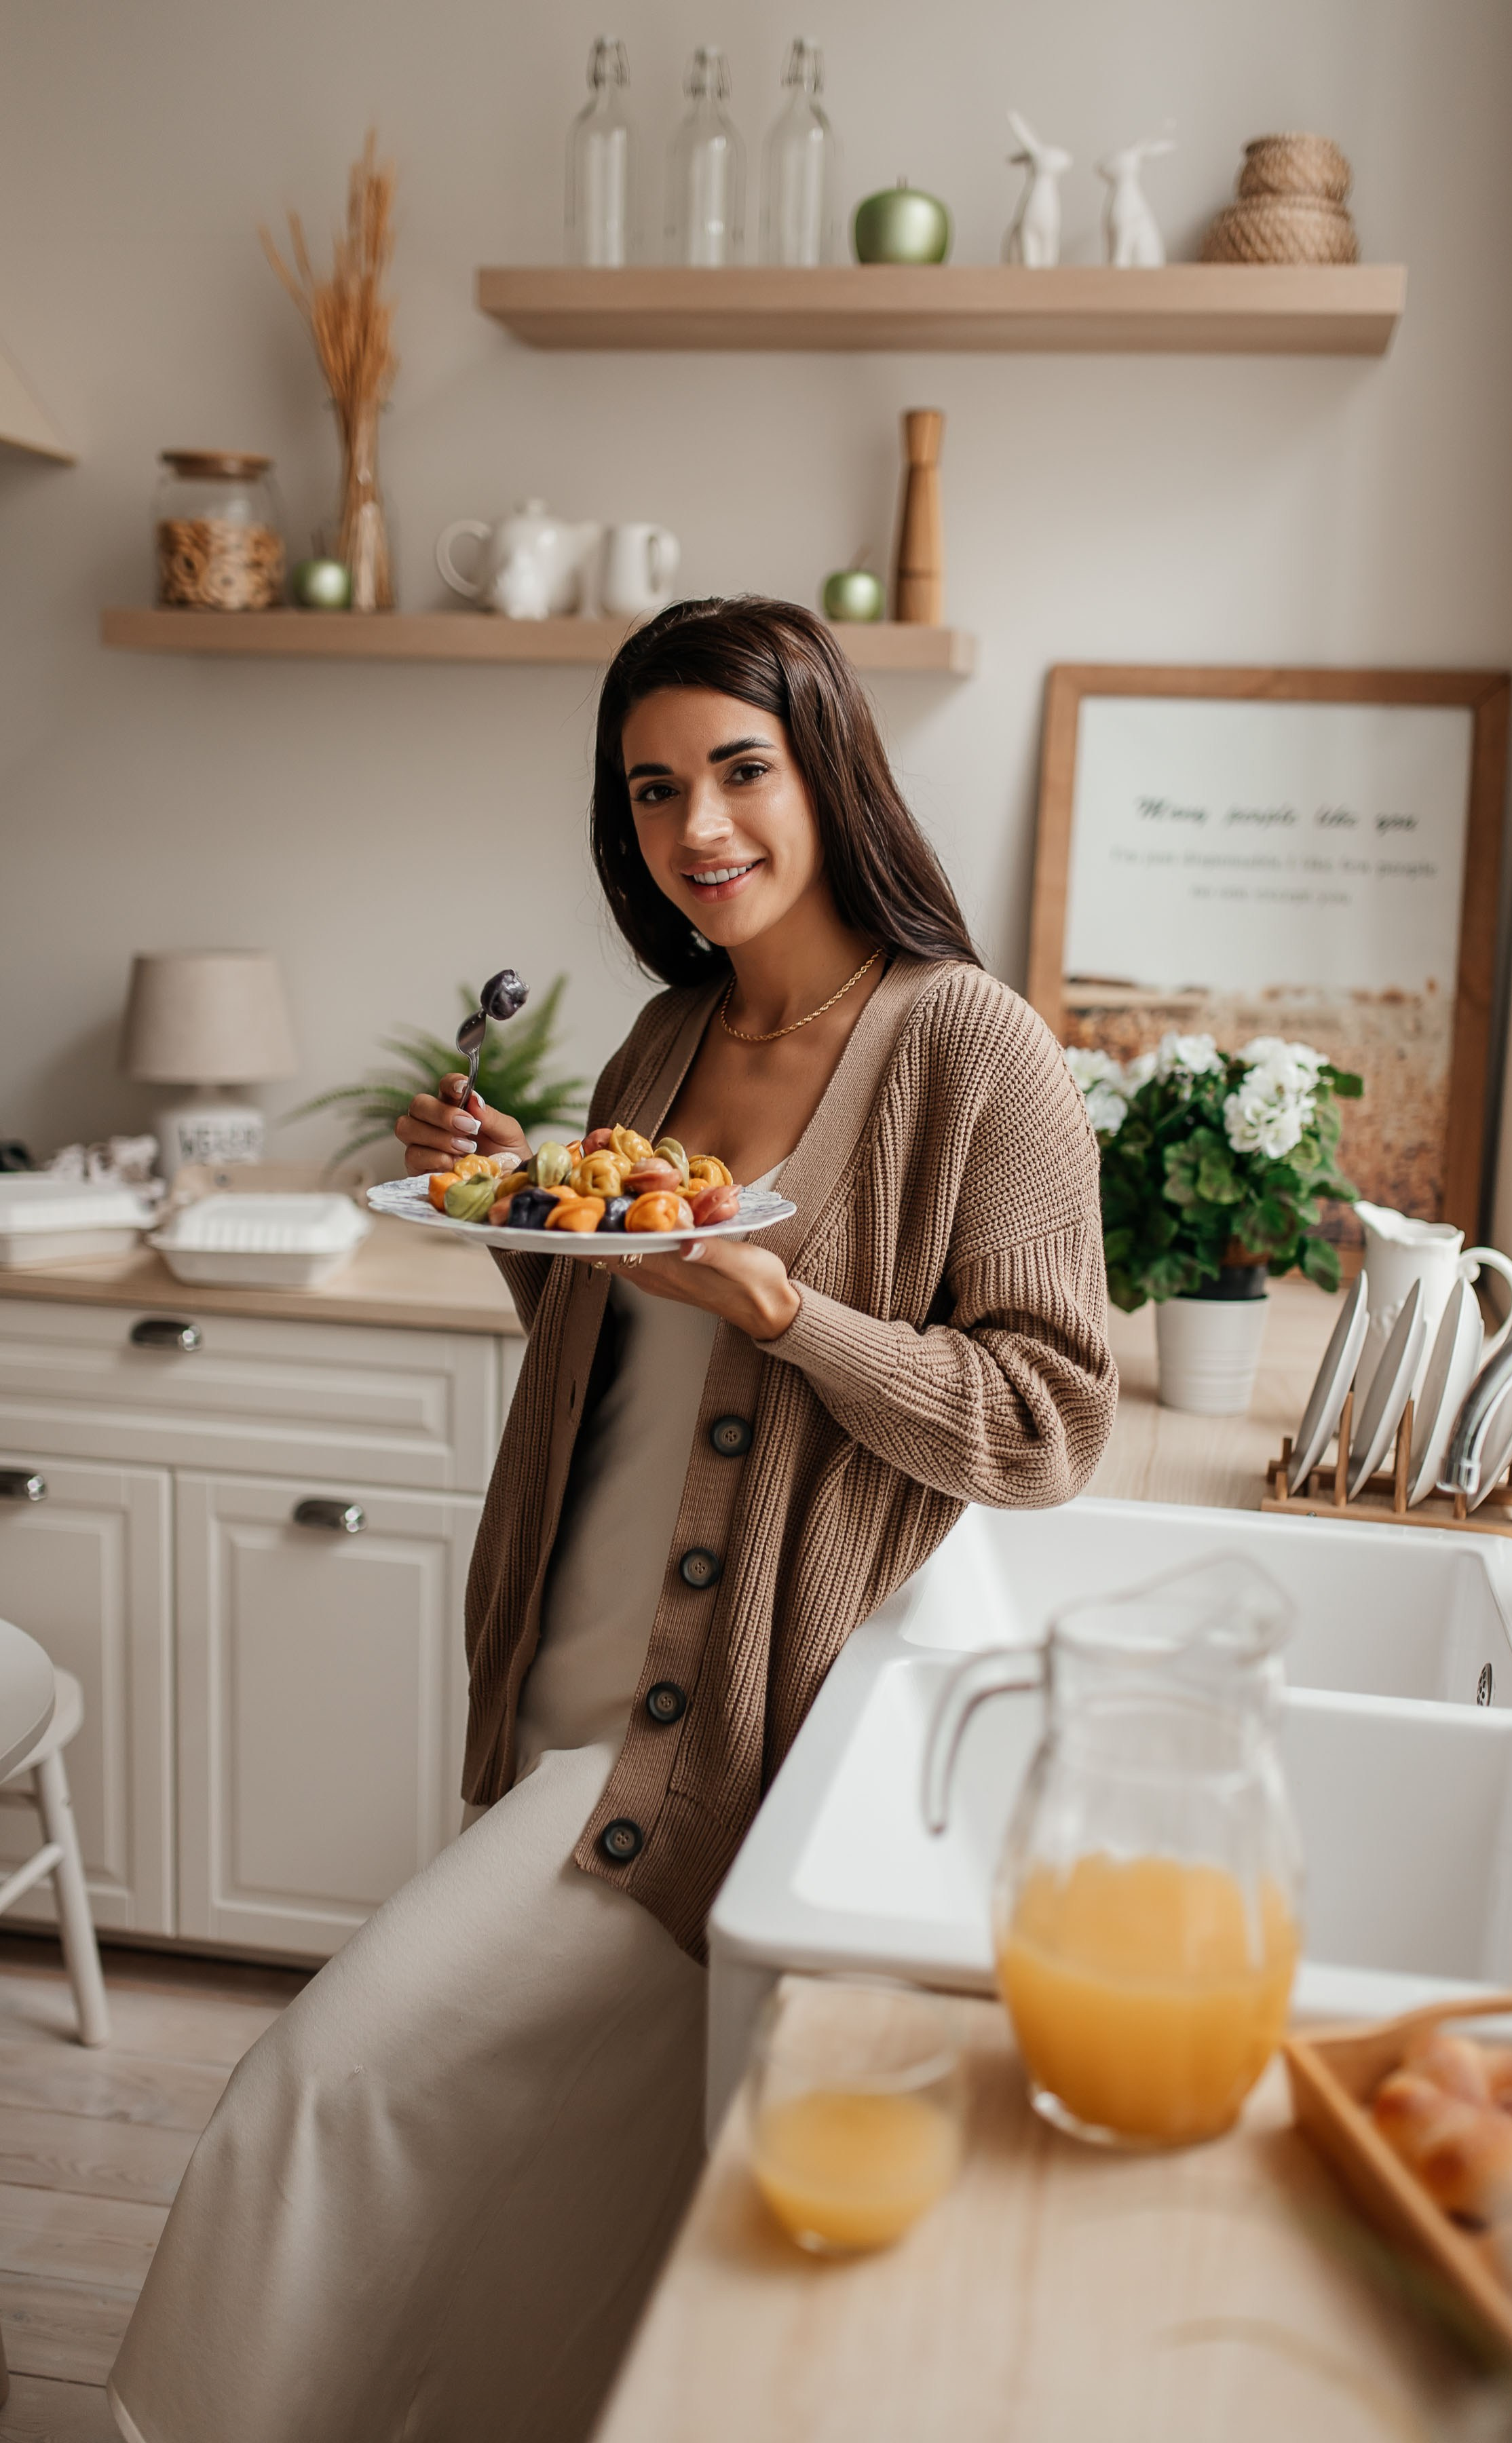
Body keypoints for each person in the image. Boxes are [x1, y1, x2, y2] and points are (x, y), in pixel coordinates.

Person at [107, 597, 1118, 2443]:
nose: (698, 830)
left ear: (832, 771)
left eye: (740, 770)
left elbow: (1048, 1423)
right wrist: (513, 1203)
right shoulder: (663, 1043)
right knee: (576, 2186)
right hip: (559, 1660)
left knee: (326, 2085)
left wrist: (792, 1313)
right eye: (654, 792)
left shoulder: (978, 1049)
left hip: (718, 1723)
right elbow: (615, 1344)